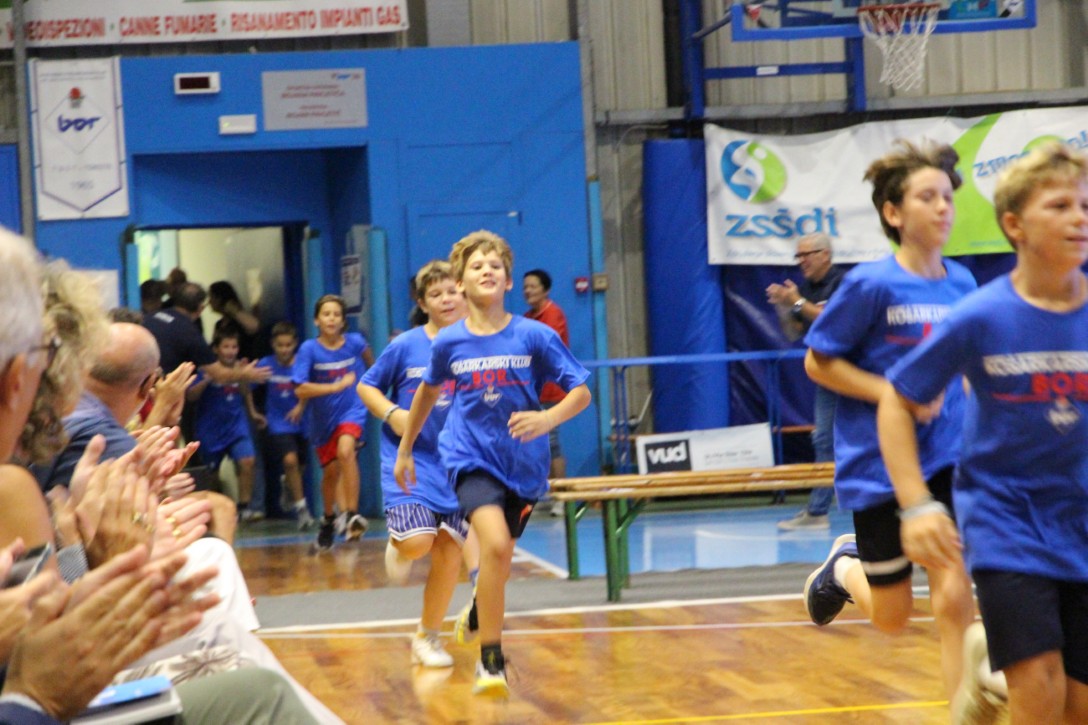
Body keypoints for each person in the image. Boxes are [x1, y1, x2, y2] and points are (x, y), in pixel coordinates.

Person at [879, 141, 1088, 724]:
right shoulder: (982, 315)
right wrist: (917, 504)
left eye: (1085, 206)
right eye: (1060, 206)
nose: (1078, 218)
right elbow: (897, 400)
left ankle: (985, 675)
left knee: (1079, 707)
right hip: (1007, 521)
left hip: (1081, 519)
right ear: (1014, 225)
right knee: (1039, 689)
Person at [800, 140, 978, 703]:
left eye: (947, 197)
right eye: (927, 197)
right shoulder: (870, 285)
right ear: (893, 212)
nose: (942, 207)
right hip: (877, 463)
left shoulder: (963, 284)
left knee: (954, 594)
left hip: (947, 457)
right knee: (893, 616)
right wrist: (895, 395)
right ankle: (842, 568)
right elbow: (817, 363)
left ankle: (962, 711)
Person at [394, 230, 592, 696]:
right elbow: (426, 393)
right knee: (497, 546)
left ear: (508, 281)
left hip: (522, 465)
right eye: (477, 266)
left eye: (495, 265)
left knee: (498, 562)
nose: (487, 270)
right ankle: (491, 662)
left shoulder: (534, 336)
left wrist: (548, 419)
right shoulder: (450, 342)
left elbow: (581, 392)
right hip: (469, 458)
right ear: (461, 283)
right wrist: (405, 449)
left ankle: (480, 610)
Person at [358, 260, 475, 668]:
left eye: (452, 291)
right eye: (436, 294)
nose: (446, 299)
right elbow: (367, 386)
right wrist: (393, 414)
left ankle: (427, 637)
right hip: (409, 459)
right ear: (423, 303)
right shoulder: (405, 345)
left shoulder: (481, 344)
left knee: (449, 552)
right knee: (418, 543)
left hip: (458, 463)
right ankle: (397, 542)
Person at [766, 232, 845, 531]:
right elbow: (793, 332)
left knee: (875, 435)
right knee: (823, 439)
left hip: (857, 373)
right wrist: (783, 306)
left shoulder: (843, 282)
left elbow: (832, 319)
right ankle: (817, 511)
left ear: (825, 254)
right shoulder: (806, 289)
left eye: (806, 255)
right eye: (798, 256)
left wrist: (796, 301)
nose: (801, 261)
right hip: (828, 374)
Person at [293, 294, 375, 550]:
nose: (332, 319)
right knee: (330, 473)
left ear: (343, 321)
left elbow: (372, 363)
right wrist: (335, 386)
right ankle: (328, 518)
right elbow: (300, 388)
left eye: (337, 314)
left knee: (346, 451)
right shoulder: (309, 349)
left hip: (352, 410)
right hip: (322, 419)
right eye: (326, 314)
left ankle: (351, 514)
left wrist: (374, 387)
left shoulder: (356, 343)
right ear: (317, 320)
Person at [187, 328, 264, 522]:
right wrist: (207, 380)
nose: (230, 351)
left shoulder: (241, 369)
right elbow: (191, 396)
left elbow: (245, 391)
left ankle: (244, 507)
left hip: (237, 425)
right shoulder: (207, 370)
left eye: (234, 347)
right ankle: (214, 508)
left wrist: (253, 412)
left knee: (247, 461)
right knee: (212, 473)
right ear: (216, 349)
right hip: (211, 428)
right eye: (226, 347)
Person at [523, 269, 572, 517]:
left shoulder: (553, 314)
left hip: (551, 390)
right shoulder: (527, 318)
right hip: (532, 391)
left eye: (533, 286)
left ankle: (561, 497)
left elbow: (545, 350)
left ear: (546, 289)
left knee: (551, 442)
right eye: (525, 287)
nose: (528, 291)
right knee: (537, 445)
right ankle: (546, 492)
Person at [256, 321, 314, 529]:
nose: (284, 349)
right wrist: (253, 412)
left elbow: (308, 387)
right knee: (290, 460)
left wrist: (300, 406)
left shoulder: (302, 363)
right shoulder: (266, 364)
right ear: (273, 344)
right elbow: (245, 384)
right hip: (278, 422)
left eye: (288, 345)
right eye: (280, 345)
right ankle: (302, 510)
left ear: (295, 344)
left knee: (300, 465)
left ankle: (288, 484)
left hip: (302, 422)